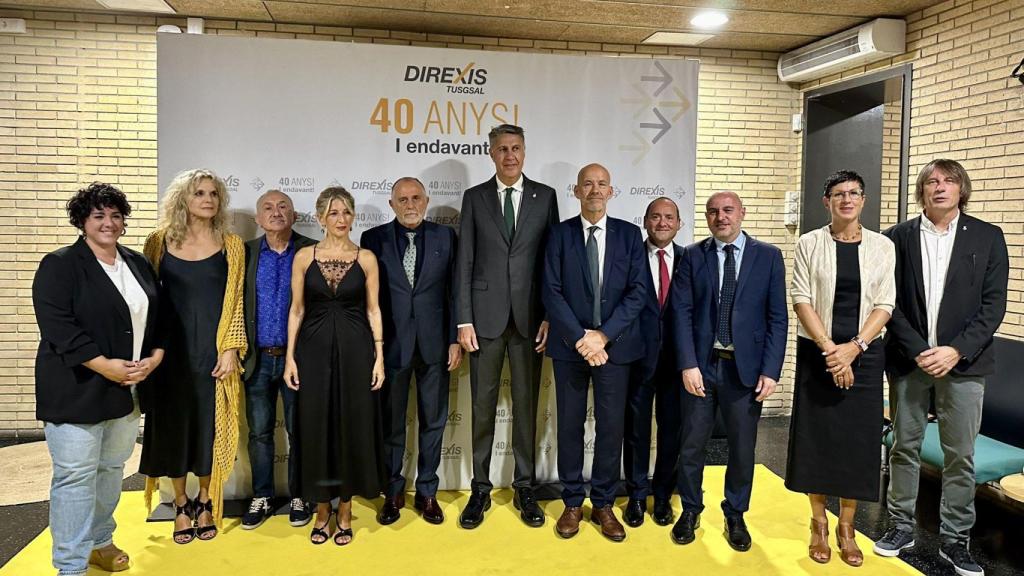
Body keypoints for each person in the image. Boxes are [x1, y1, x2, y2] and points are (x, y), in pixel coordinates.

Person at [875, 159, 1008, 576]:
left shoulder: (988, 237)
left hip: (965, 365)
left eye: (949, 181)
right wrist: (919, 349)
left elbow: (993, 306)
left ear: (961, 189)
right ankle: (900, 525)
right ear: (921, 191)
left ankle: (955, 539)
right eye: (931, 181)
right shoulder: (895, 237)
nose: (940, 187)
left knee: (960, 456)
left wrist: (954, 350)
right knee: (903, 447)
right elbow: (887, 301)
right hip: (909, 360)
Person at [33, 183, 164, 576]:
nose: (109, 223)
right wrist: (103, 364)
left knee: (111, 471)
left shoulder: (137, 263)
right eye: (99, 216)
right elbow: (59, 326)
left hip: (128, 390)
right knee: (75, 477)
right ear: (82, 221)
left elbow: (156, 317)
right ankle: (70, 565)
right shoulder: (60, 265)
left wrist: (156, 356)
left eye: (115, 215)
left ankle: (101, 542)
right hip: (77, 388)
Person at [786, 171, 895, 567]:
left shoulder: (883, 246)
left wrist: (854, 348)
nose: (846, 199)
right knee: (818, 439)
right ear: (826, 201)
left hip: (865, 355)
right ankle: (817, 523)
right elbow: (801, 298)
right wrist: (831, 350)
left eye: (853, 193)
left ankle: (846, 526)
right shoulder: (809, 243)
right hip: (819, 352)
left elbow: (885, 302)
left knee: (855, 442)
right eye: (838, 194)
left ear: (863, 200)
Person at [669, 191, 787, 551]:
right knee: (691, 446)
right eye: (713, 212)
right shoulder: (691, 256)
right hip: (702, 368)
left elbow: (777, 318)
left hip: (745, 371)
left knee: (741, 447)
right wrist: (687, 363)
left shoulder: (768, 257)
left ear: (742, 214)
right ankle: (690, 509)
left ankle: (735, 513)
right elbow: (681, 313)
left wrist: (771, 370)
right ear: (707, 217)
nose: (721, 217)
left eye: (728, 210)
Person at [456, 124, 560, 529]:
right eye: (502, 149)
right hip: (484, 321)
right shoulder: (475, 197)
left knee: (526, 407)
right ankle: (480, 488)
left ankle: (525, 487)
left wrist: (551, 313)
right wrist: (464, 318)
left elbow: (553, 262)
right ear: (491, 154)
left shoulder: (545, 197)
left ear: (524, 151)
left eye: (516, 148)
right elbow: (465, 260)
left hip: (531, 320)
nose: (510, 155)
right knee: (481, 409)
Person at [140, 168, 247, 544]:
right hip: (168, 356)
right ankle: (181, 503)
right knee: (173, 429)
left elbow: (236, 304)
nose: (207, 199)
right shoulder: (157, 242)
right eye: (199, 193)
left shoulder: (232, 244)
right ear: (183, 198)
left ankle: (205, 499)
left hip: (213, 354)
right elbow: (146, 301)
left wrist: (232, 347)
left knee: (208, 427)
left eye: (213, 194)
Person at [542, 163, 648, 542]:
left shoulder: (630, 235)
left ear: (612, 191)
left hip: (615, 349)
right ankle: (572, 501)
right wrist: (580, 339)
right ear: (576, 191)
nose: (595, 190)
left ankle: (603, 502)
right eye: (587, 184)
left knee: (610, 428)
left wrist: (602, 336)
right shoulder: (558, 235)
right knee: (569, 426)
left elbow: (638, 292)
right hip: (571, 350)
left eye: (602, 183)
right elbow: (550, 291)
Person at [284, 186, 387, 546]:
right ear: (320, 218)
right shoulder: (303, 257)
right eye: (333, 213)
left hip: (357, 351)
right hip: (312, 351)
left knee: (350, 425)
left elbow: (374, 310)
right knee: (315, 427)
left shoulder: (367, 258)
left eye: (346, 213)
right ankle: (321, 507)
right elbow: (296, 310)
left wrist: (380, 358)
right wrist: (290, 358)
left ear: (353, 216)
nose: (341, 219)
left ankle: (345, 506)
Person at [362, 177, 461, 526]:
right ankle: (392, 492)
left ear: (427, 200)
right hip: (391, 346)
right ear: (391, 204)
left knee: (433, 421)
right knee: (391, 424)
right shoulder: (371, 240)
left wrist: (453, 339)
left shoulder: (446, 237)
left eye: (416, 197)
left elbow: (454, 292)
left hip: (435, 346)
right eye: (402, 199)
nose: (410, 204)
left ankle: (428, 492)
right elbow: (368, 299)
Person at [239, 190, 316, 530]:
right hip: (257, 361)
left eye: (283, 206)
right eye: (267, 208)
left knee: (301, 431)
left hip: (299, 361)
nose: (276, 212)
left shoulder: (312, 251)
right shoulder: (245, 253)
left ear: (294, 214)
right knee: (259, 434)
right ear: (257, 219)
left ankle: (301, 494)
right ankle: (263, 495)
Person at [622, 197, 685, 528]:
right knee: (635, 430)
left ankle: (662, 496)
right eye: (656, 217)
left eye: (669, 217)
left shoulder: (690, 259)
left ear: (679, 224)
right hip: (636, 358)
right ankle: (635, 495)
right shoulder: (630, 257)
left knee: (671, 432)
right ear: (645, 221)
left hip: (677, 362)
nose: (662, 223)